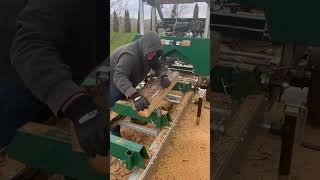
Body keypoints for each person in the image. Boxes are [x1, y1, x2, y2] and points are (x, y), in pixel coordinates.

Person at [0, 0, 108, 162]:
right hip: (18, 70)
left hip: (55, 66)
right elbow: (29, 46)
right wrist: (79, 107)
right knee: (15, 154)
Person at [110, 32, 171, 136]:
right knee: (115, 108)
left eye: (156, 52)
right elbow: (119, 76)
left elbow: (159, 65)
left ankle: (135, 118)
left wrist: (163, 76)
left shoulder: (150, 54)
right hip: (113, 81)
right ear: (145, 47)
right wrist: (134, 95)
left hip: (127, 79)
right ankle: (114, 134)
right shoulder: (129, 55)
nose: (153, 55)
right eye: (151, 52)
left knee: (131, 97)